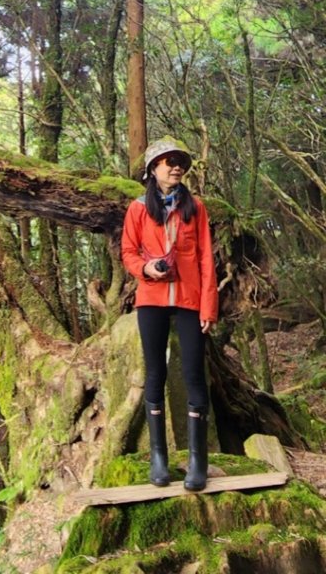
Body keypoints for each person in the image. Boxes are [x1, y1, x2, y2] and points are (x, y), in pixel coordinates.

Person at [121, 136, 218, 491]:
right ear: (152, 169)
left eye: (179, 161)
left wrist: (209, 305)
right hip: (151, 297)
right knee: (155, 373)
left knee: (194, 373)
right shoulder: (137, 209)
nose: (175, 166)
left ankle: (197, 461)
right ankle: (159, 458)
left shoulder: (197, 208)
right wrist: (147, 268)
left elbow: (207, 257)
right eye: (167, 161)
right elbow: (128, 252)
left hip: (191, 299)